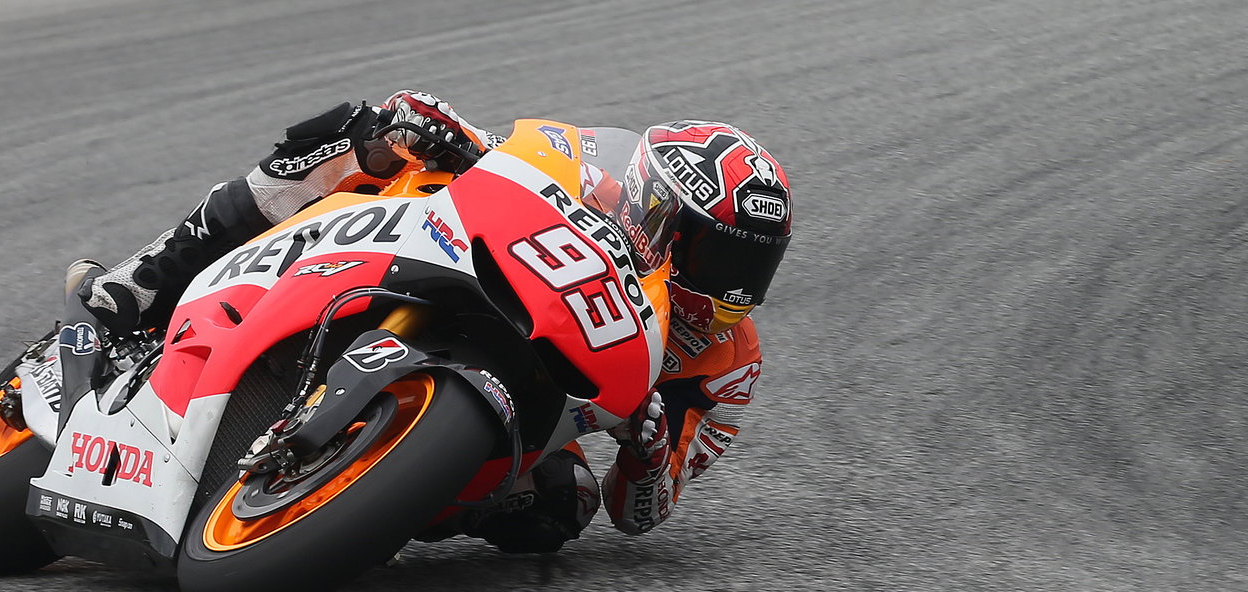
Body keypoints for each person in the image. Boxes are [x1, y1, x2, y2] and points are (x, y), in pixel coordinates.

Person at [70, 91, 791, 553]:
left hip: (544, 400)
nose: (728, 287)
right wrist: (437, 128)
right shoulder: (589, 174)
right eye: (713, 253)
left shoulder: (729, 362)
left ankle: (377, 493)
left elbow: (642, 513)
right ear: (654, 207)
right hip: (462, 263)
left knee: (558, 507)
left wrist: (648, 449)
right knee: (360, 135)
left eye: (747, 270)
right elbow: (510, 155)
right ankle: (147, 279)